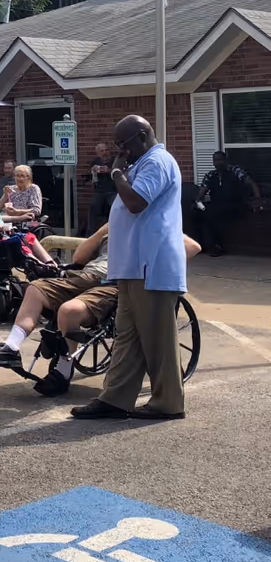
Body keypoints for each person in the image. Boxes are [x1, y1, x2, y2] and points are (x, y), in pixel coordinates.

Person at [0, 223, 201, 397]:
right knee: (35, 289)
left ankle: (63, 371)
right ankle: (11, 347)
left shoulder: (155, 225)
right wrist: (106, 228)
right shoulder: (113, 227)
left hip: (116, 283)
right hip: (84, 276)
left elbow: (193, 247)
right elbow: (79, 258)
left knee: (68, 311)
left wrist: (152, 258)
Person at [71, 115, 188, 421]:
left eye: (122, 145)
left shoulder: (156, 161)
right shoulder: (141, 163)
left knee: (157, 338)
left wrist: (118, 176)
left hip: (152, 265)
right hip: (133, 268)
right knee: (128, 336)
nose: (120, 152)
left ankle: (167, 403)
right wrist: (124, 171)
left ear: (141, 136)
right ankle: (116, 399)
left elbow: (136, 202)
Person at [193, 151, 260, 256]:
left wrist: (257, 198)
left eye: (220, 160)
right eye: (215, 160)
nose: (218, 163)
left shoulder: (235, 171)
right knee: (197, 212)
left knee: (212, 214)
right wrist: (198, 203)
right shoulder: (211, 175)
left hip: (234, 204)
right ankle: (199, 244)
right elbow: (202, 193)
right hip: (216, 204)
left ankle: (217, 246)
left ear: (225, 161)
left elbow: (251, 183)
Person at [87, 141, 117, 234]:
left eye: (106, 150)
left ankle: (116, 230)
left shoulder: (115, 160)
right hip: (99, 191)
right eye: (102, 151)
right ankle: (90, 233)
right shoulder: (96, 161)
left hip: (113, 191)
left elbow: (121, 173)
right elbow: (90, 177)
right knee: (93, 207)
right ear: (98, 153)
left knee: (115, 208)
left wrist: (108, 170)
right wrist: (93, 171)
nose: (105, 152)